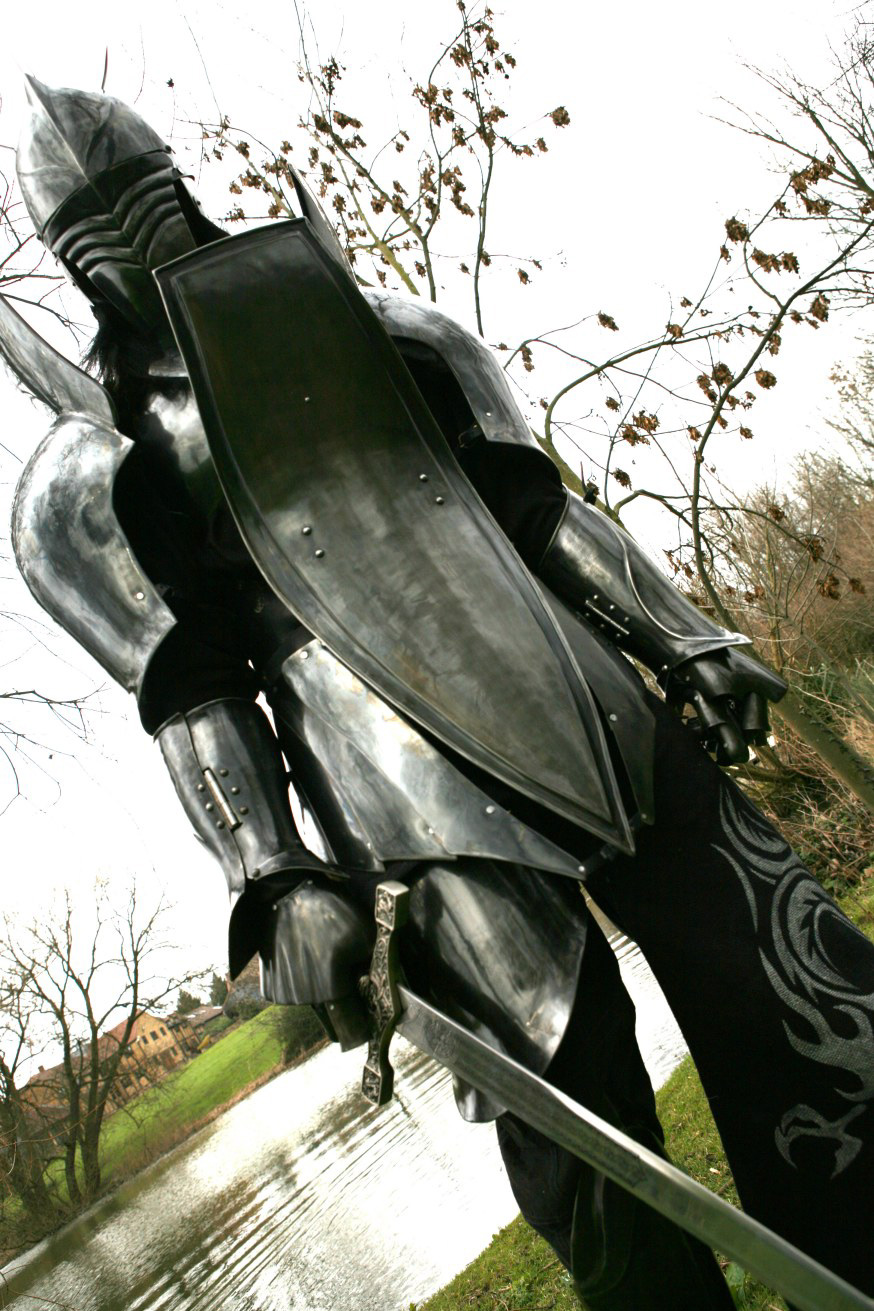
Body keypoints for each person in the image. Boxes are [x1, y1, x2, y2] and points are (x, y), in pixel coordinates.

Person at [7, 78, 874, 1308]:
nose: (129, 236)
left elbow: (534, 508)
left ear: (180, 184)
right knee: (587, 1127)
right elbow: (194, 689)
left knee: (804, 1002)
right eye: (91, 226)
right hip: (398, 792)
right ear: (67, 264)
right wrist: (273, 874)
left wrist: (684, 637)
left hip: (586, 700)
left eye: (139, 197)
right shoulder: (95, 473)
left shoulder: (392, 332)